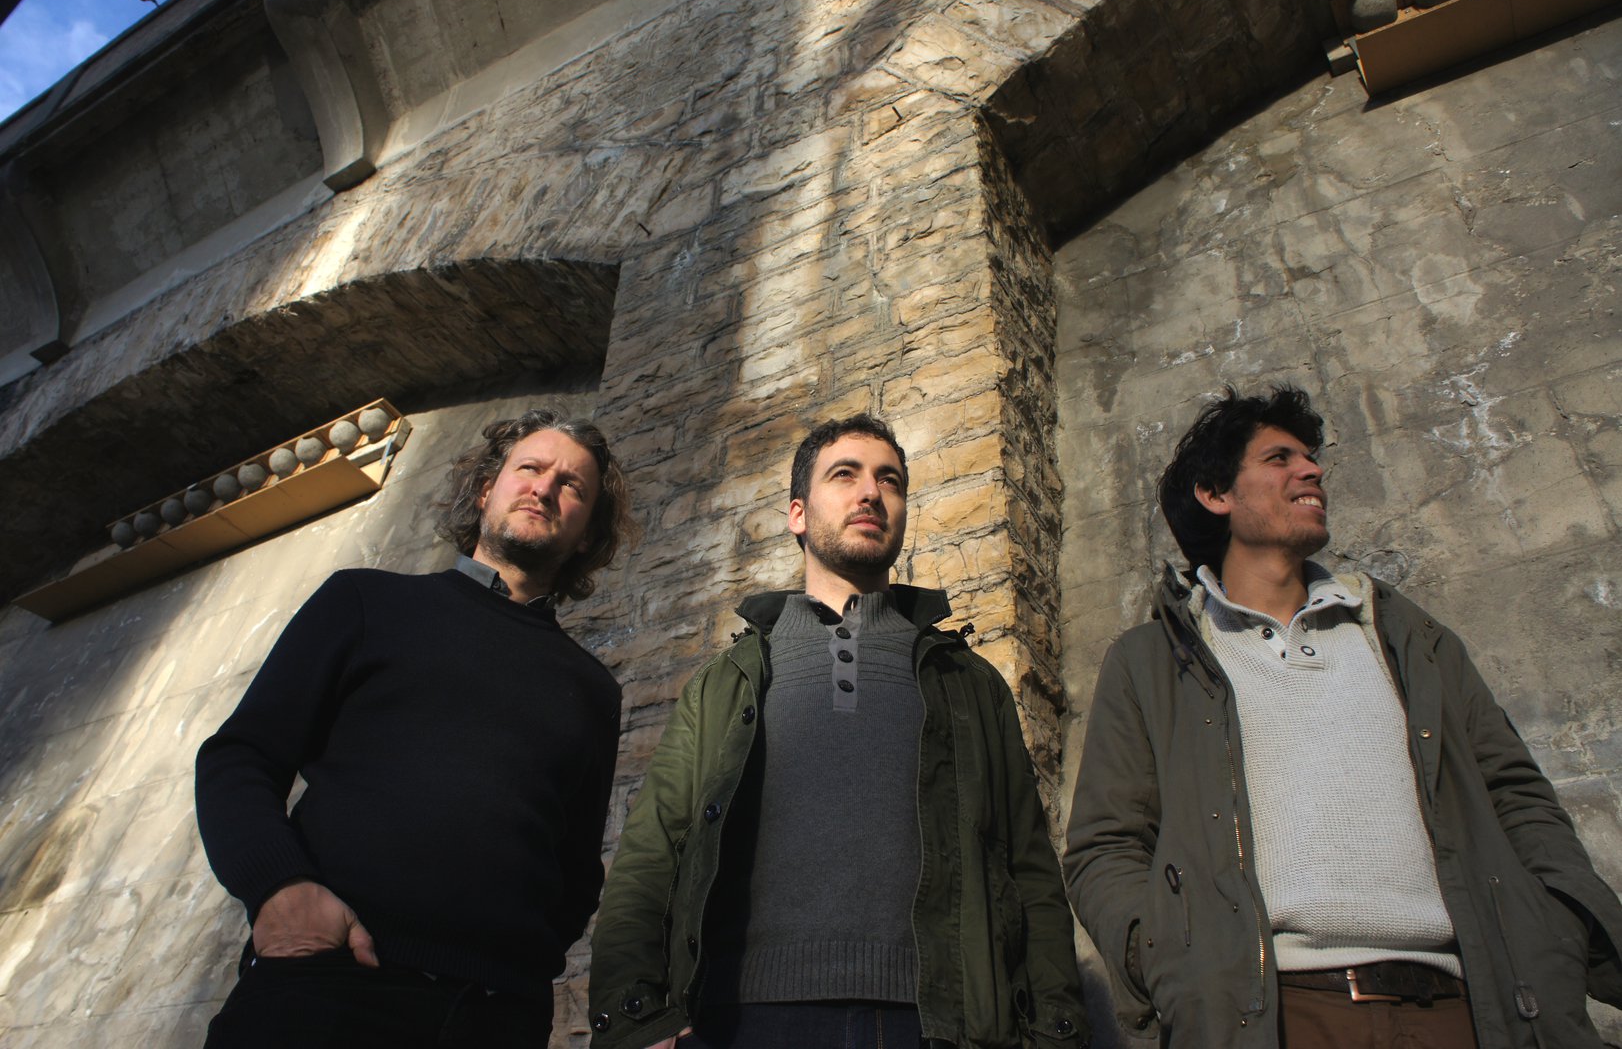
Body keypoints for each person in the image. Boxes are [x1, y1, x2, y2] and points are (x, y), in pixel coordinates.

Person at [1064, 385, 1622, 1048]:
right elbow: (1107, 845)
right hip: (1270, 1019)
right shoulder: (1153, 661)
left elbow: (1516, 795)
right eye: (1279, 459)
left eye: (1310, 457)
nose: (1312, 470)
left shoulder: (1410, 640)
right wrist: (1170, 965)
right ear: (1215, 494)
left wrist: (1558, 925)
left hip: (1469, 1011)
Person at [587, 414, 1087, 1049]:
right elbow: (651, 852)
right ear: (798, 514)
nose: (871, 492)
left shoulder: (968, 682)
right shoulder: (724, 683)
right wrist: (633, 1018)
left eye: (889, 480)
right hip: (742, 1021)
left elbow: (1029, 865)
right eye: (845, 475)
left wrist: (1056, 1031)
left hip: (937, 1024)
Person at [195, 407, 637, 1047]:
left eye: (572, 486)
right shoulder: (366, 602)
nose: (544, 488)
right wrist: (279, 889)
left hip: (493, 1016)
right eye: (530, 469)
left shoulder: (593, 690)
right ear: (486, 489)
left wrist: (523, 970)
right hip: (327, 980)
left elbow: (576, 868)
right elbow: (241, 757)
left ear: (588, 533)